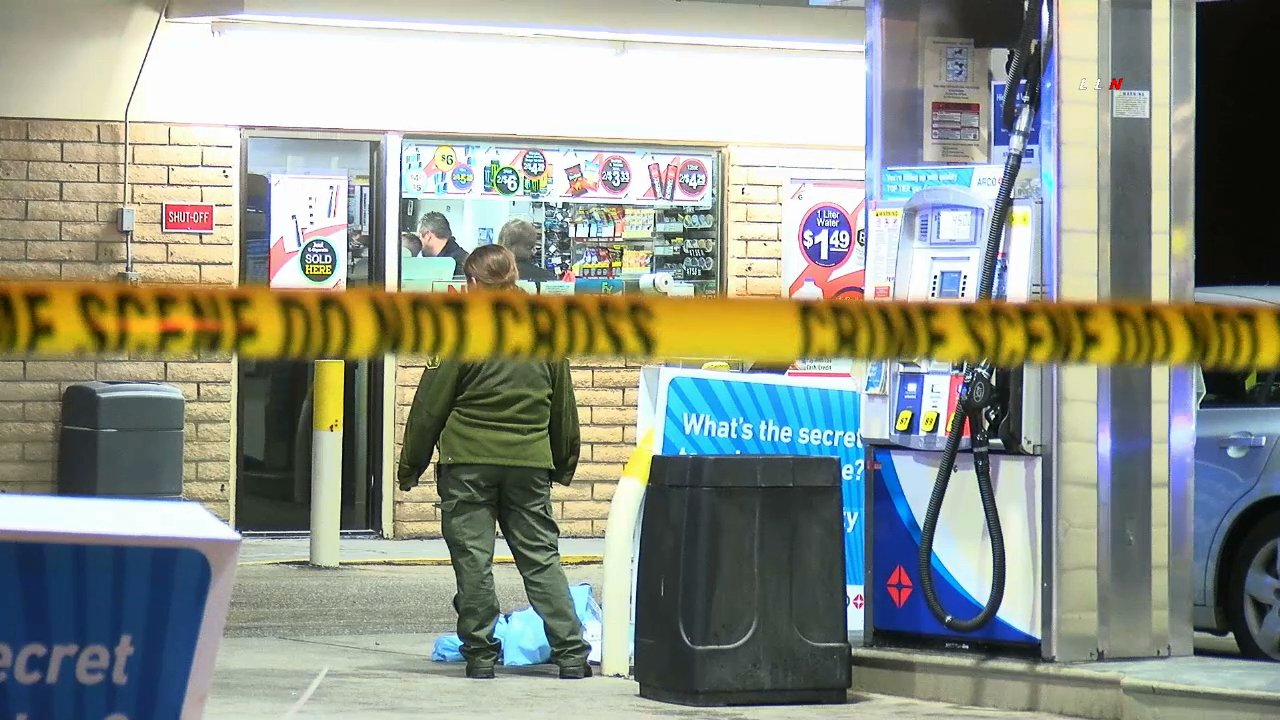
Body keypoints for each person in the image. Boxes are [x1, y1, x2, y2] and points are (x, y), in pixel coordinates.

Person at [397, 244, 591, 681]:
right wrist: (563, 462)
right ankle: (572, 655)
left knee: (474, 561)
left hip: (468, 465)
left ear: (471, 282)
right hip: (528, 466)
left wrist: (411, 466)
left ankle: (481, 656)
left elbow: (430, 406)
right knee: (541, 559)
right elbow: (563, 405)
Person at [418, 211, 469, 276]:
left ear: (428, 235)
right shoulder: (464, 259)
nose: (418, 243)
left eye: (419, 237)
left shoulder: (452, 268)